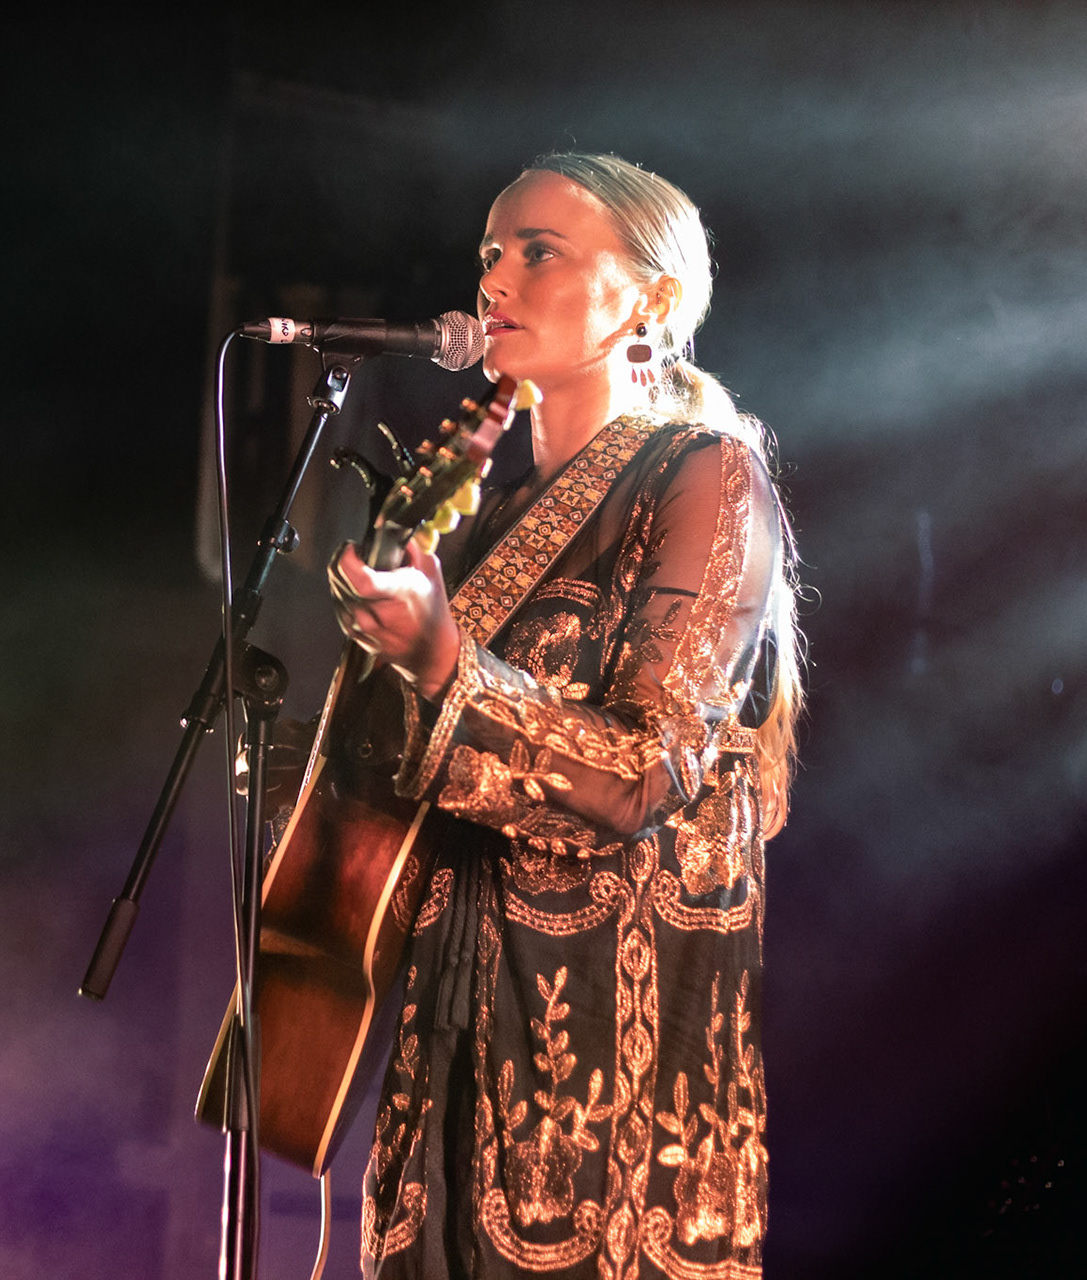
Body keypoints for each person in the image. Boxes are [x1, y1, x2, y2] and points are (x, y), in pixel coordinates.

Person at [327, 152, 801, 1279]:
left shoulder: (708, 478)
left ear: (649, 297)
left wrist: (444, 663)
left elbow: (644, 771)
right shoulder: (486, 523)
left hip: (604, 1076)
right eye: (491, 253)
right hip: (449, 1049)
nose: (496, 280)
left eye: (540, 252)